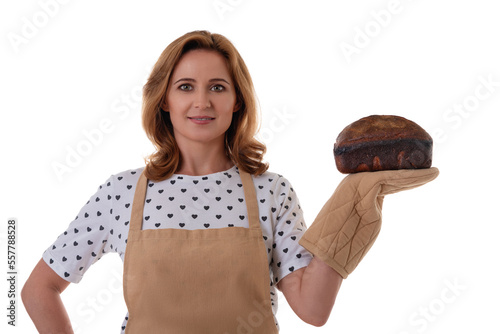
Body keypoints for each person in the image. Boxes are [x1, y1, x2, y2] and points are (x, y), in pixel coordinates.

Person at [22, 30, 439, 333]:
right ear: (164, 100)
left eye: (217, 87)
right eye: (186, 87)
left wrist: (356, 195)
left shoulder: (271, 191)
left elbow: (313, 309)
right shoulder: (122, 191)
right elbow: (39, 289)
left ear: (236, 100)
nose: (202, 102)